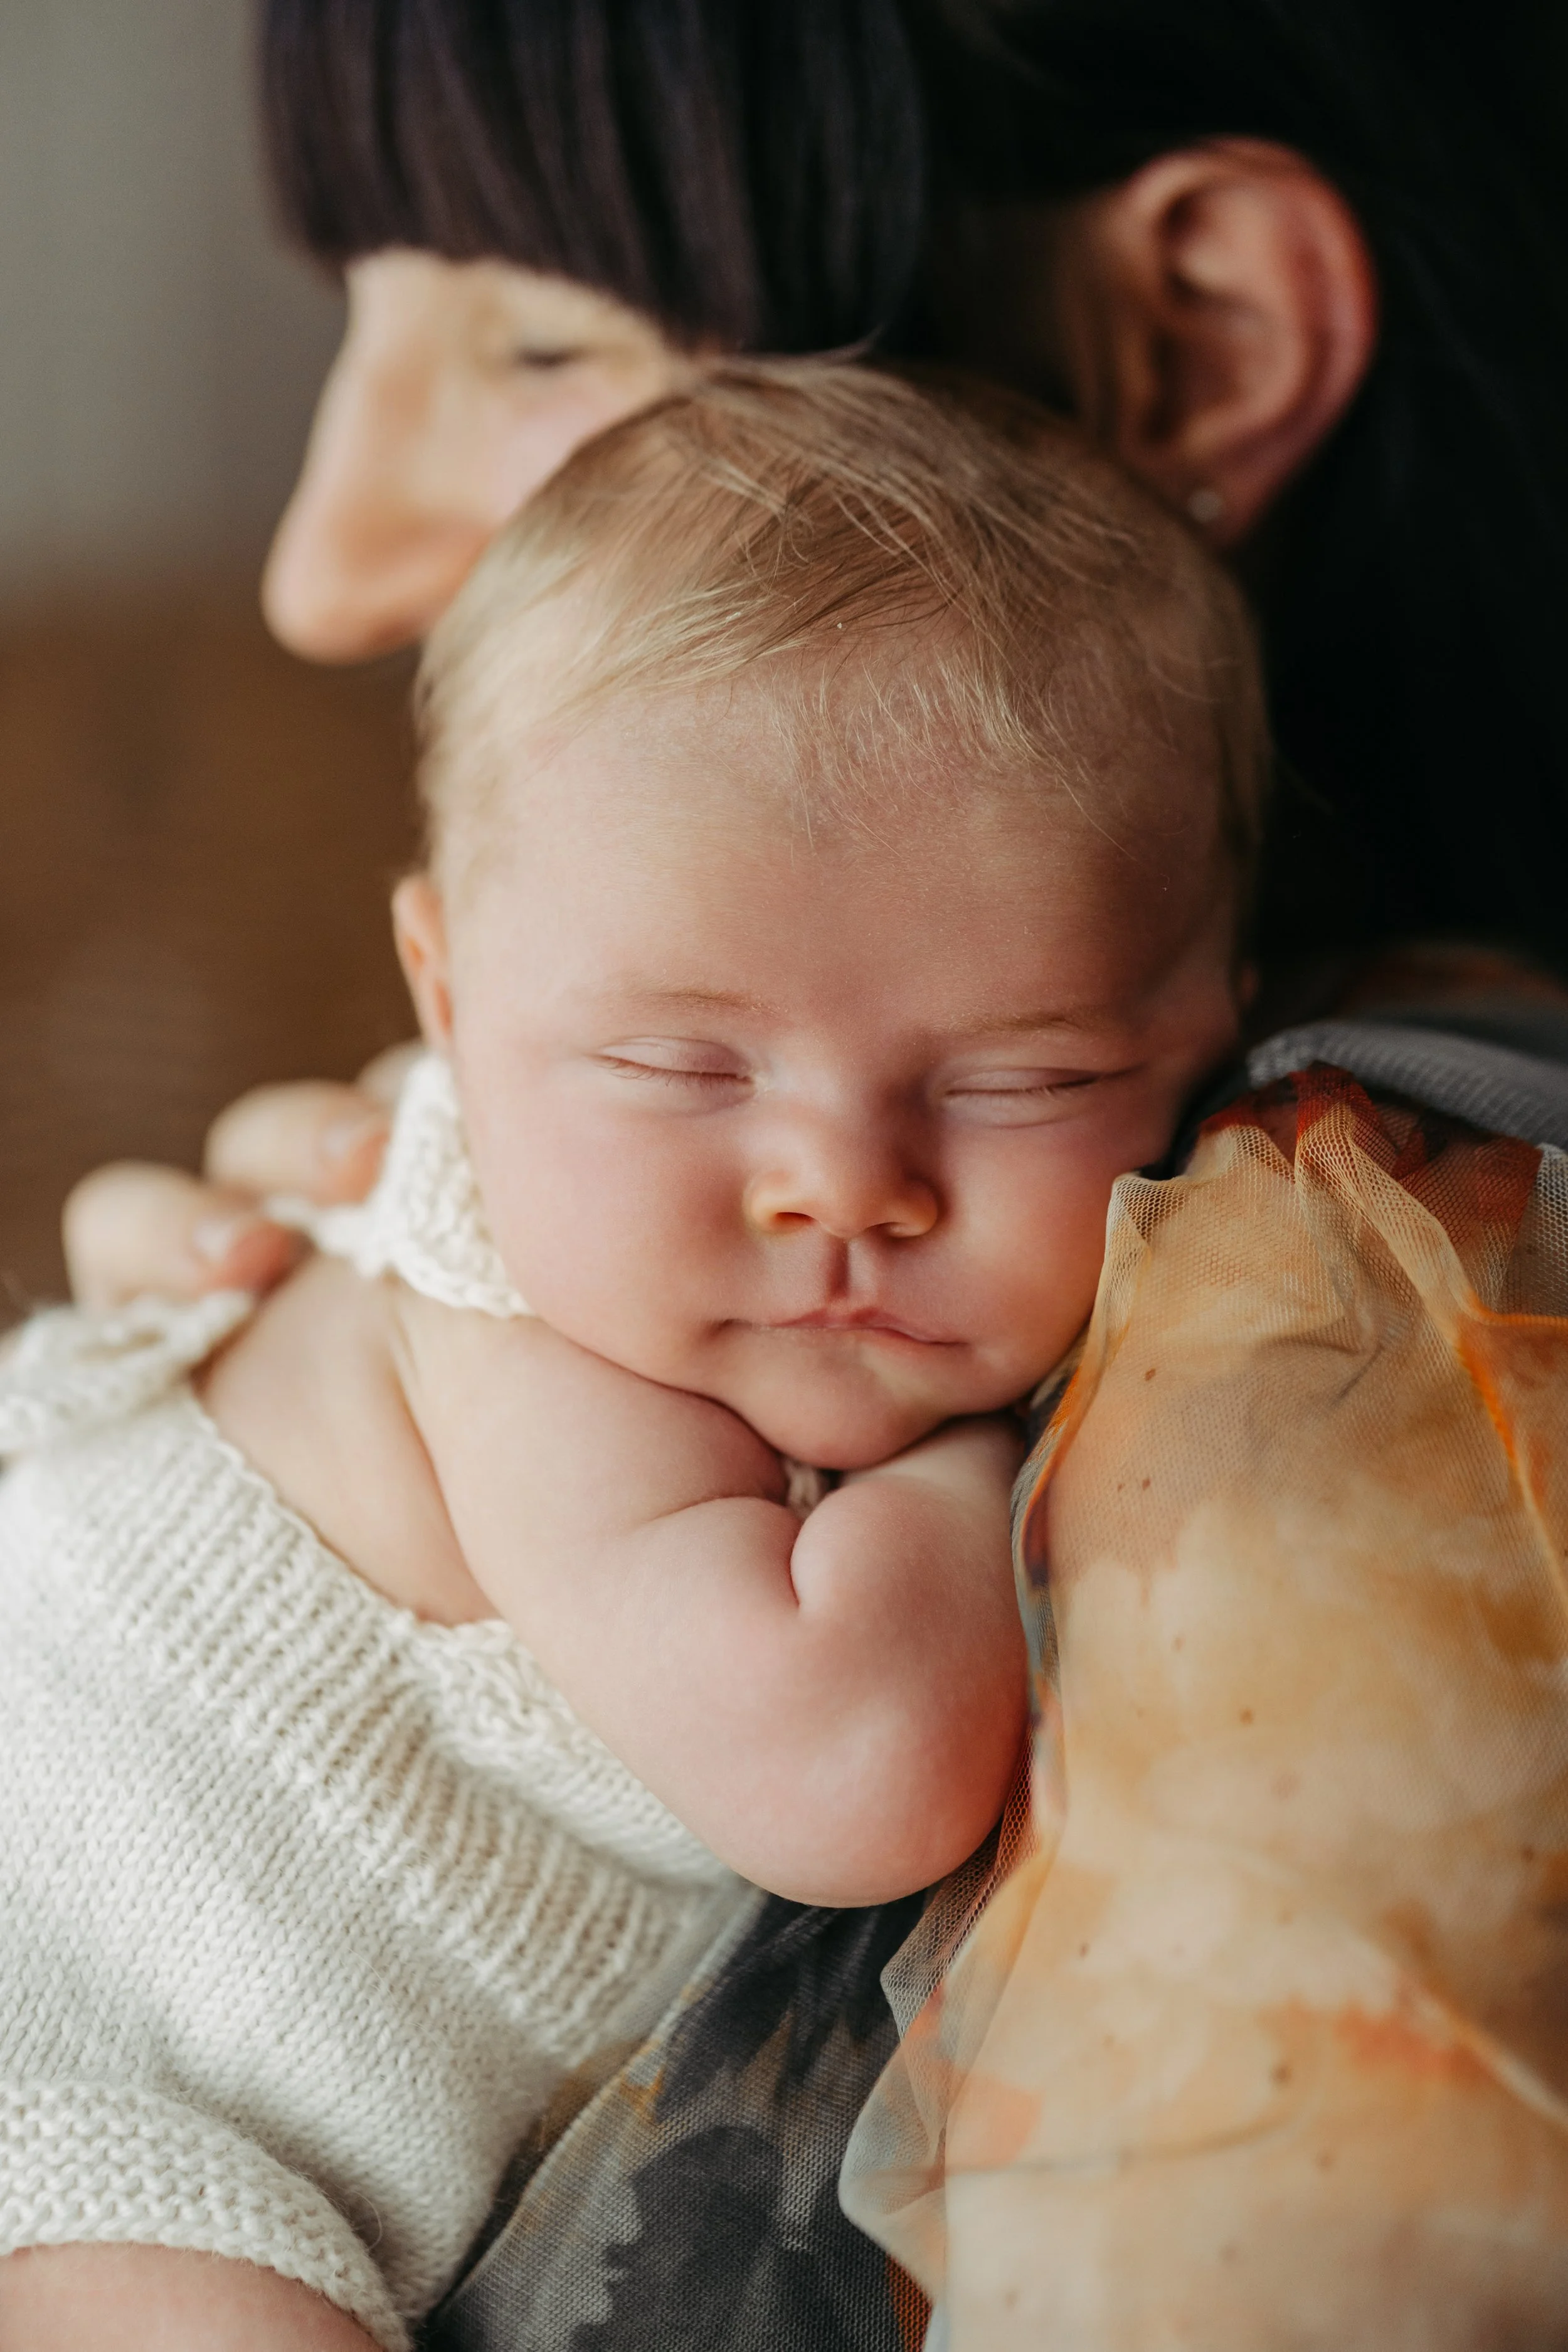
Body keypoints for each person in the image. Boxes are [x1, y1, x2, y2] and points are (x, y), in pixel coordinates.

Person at [45, 1, 1568, 2344]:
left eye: (535, 332)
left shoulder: (1395, 1287)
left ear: (1194, 340)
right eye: (672, 1057)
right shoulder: (565, 1239)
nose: (321, 565)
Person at [0, 364, 1267, 2346]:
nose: (840, 1183)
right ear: (449, 991)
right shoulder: (512, 1310)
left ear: (1204, 1037)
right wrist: (985, 1429)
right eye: (684, 1066)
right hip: (73, 2008)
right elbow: (851, 1758)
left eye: (1025, 1076)